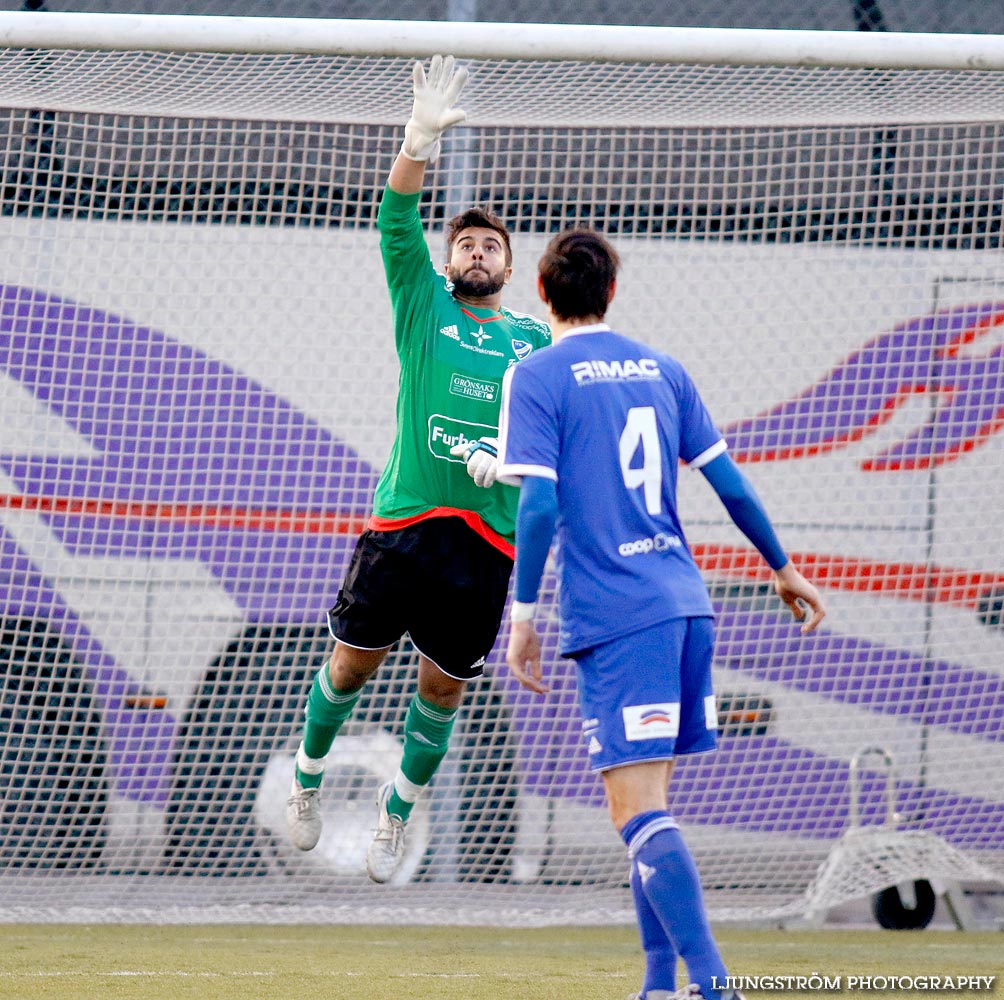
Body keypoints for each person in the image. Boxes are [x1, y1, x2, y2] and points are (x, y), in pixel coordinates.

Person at [497, 228, 825, 1000]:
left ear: (542, 294)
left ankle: (712, 985)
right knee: (650, 806)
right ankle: (657, 983)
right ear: (611, 292)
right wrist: (782, 567)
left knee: (634, 809)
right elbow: (731, 485)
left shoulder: (537, 375)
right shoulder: (663, 369)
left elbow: (539, 505)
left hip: (617, 617)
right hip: (684, 607)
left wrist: (522, 614)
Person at [285, 54, 550, 883]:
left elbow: (550, 446)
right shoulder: (424, 301)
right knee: (352, 666)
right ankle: (305, 782)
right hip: (404, 524)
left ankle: (397, 818)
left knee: (441, 693)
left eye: (490, 246)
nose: (476, 252)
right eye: (465, 243)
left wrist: (506, 466)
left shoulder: (535, 341)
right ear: (451, 261)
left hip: (486, 544)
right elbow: (396, 221)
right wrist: (417, 139)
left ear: (509, 268)